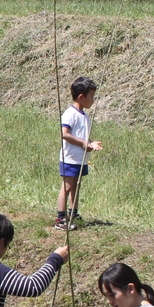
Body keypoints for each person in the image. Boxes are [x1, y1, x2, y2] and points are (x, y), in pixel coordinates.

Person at [56, 75, 102, 229]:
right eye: (91, 96)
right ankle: (60, 219)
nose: (93, 100)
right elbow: (65, 134)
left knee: (76, 185)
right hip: (70, 158)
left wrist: (90, 143)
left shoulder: (84, 115)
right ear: (81, 97)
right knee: (67, 186)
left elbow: (82, 136)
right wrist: (84, 143)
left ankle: (73, 213)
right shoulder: (71, 113)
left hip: (79, 159)